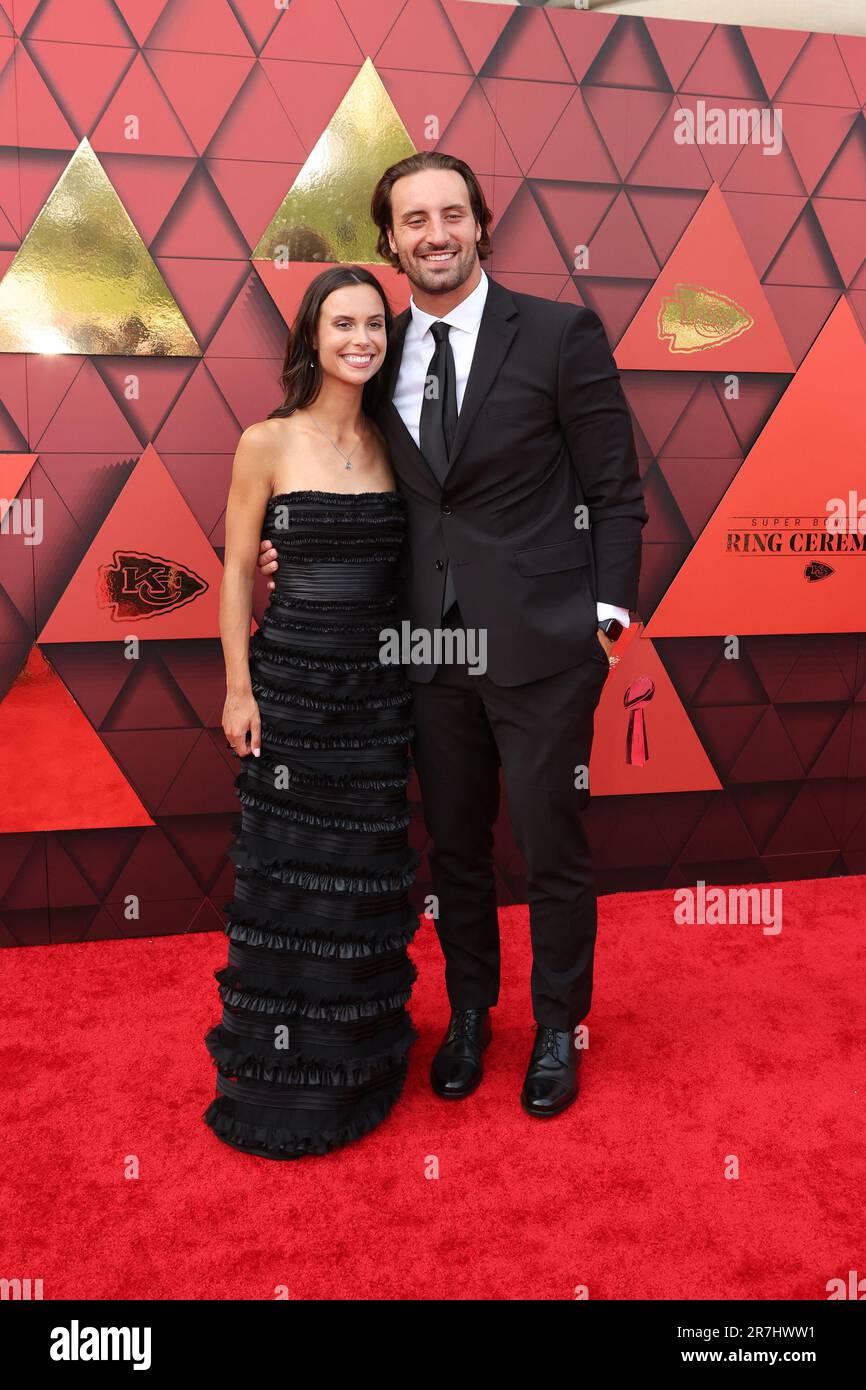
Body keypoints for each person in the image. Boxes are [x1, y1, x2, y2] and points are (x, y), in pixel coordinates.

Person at [258, 152, 648, 1119]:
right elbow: (342, 467)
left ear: (480, 222)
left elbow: (618, 493)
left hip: (547, 645)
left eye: (451, 214)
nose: (434, 234)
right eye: (412, 220)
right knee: (459, 848)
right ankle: (472, 1012)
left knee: (550, 842)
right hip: (424, 650)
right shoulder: (374, 346)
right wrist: (294, 553)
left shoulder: (560, 333)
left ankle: (559, 1026)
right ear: (388, 241)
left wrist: (606, 624)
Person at [203, 265, 419, 1158]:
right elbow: (239, 572)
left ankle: (359, 1062)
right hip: (289, 688)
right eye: (342, 324)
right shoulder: (267, 441)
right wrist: (238, 686)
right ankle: (283, 1077)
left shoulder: (396, 443)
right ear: (312, 337)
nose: (361, 338)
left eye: (374, 323)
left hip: (375, 700)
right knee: (291, 883)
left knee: (359, 881)